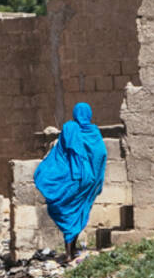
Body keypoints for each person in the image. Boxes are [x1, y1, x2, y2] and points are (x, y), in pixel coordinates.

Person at [32, 102, 107, 262]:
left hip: (72, 181)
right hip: (88, 182)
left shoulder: (69, 128)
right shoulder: (94, 132)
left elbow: (59, 155)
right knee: (79, 213)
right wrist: (94, 177)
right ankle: (72, 251)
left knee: (67, 213)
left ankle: (68, 253)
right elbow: (101, 154)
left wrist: (48, 170)